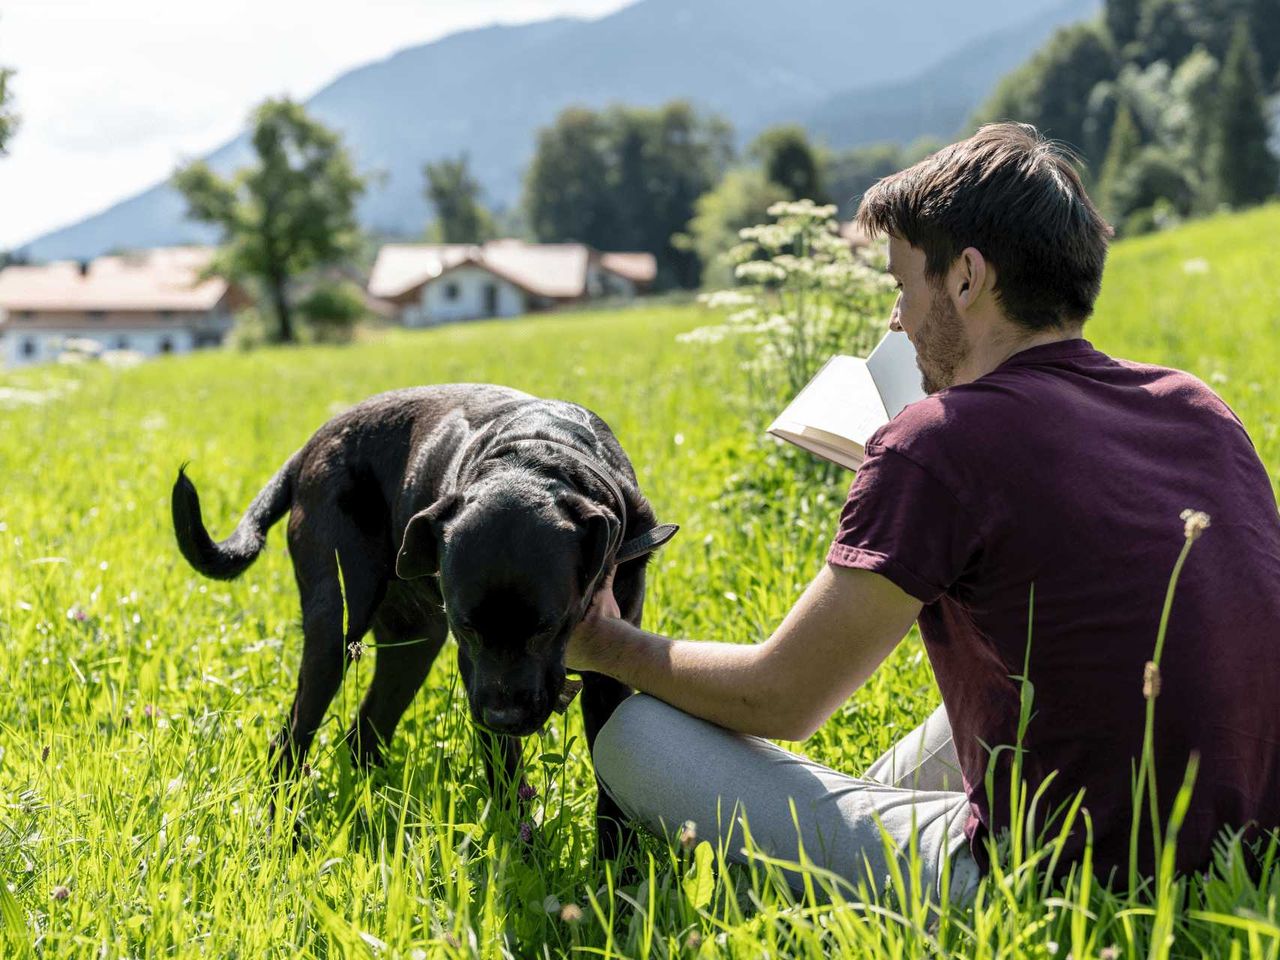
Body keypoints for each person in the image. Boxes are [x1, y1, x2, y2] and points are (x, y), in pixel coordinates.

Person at [566, 122, 1280, 899]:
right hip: (1243, 860)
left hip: (1054, 886)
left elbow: (782, 696)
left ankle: (822, 862)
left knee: (635, 734)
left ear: (968, 277)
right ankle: (828, 841)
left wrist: (608, 644)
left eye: (903, 286)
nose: (898, 321)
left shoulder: (940, 443)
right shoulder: (1197, 405)